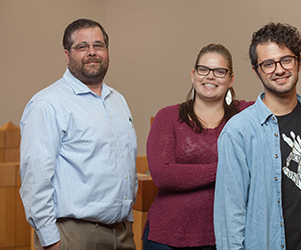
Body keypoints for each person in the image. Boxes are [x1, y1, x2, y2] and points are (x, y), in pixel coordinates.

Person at [214, 22, 301, 249]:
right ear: (256, 71)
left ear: (299, 62)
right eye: (268, 64)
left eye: (286, 60)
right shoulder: (238, 132)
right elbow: (229, 215)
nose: (279, 69)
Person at [19, 18, 138, 250]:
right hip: (74, 235)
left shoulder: (118, 101)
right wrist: (50, 240)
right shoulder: (49, 103)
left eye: (99, 45)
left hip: (122, 232)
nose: (92, 52)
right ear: (67, 55)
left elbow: (125, 166)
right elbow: (35, 178)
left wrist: (128, 219)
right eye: (82, 47)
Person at [143, 44, 253, 250]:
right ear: (193, 75)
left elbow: (278, 103)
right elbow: (162, 174)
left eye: (220, 72)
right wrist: (226, 168)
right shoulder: (167, 117)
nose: (210, 77)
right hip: (168, 237)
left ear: (231, 79)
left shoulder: (245, 115)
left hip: (224, 236)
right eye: (204, 70)